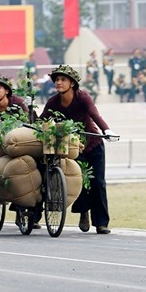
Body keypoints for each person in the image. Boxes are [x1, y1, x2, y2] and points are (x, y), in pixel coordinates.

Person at [40, 65, 117, 234]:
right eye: (57, 80)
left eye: (63, 80)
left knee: (98, 183)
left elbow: (95, 115)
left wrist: (106, 130)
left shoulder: (83, 98)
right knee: (79, 180)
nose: (59, 83)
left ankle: (101, 223)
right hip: (72, 148)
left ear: (72, 83)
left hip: (93, 144)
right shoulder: (53, 102)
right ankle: (84, 212)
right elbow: (41, 121)